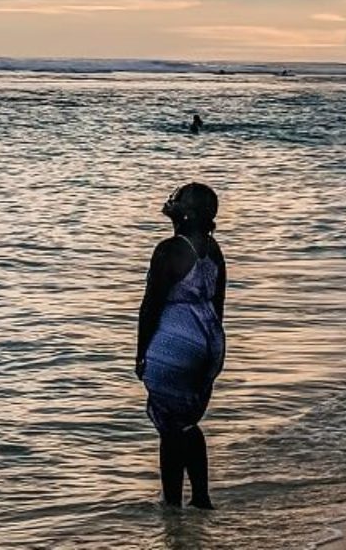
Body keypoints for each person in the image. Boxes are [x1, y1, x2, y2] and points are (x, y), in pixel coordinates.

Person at [136, 183, 227, 509]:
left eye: (178, 197)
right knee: (187, 423)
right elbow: (218, 306)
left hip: (174, 345)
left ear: (186, 213)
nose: (172, 199)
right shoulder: (213, 251)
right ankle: (201, 498)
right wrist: (212, 352)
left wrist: (141, 354)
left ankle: (171, 505)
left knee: (168, 427)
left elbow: (151, 306)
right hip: (208, 342)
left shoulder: (169, 250)